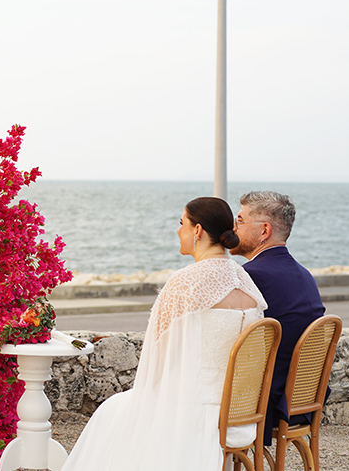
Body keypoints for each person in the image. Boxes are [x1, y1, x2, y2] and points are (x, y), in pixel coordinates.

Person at [62, 197, 267, 471]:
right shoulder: (247, 282)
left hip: (194, 412)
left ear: (197, 231)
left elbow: (155, 357)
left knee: (112, 411)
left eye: (181, 223)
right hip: (239, 414)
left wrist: (148, 396)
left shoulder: (185, 282)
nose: (177, 230)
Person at [231, 190, 325, 445]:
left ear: (264, 230)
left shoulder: (250, 276)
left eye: (239, 220)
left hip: (263, 404)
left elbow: (237, 345)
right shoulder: (304, 275)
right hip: (301, 400)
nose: (233, 227)